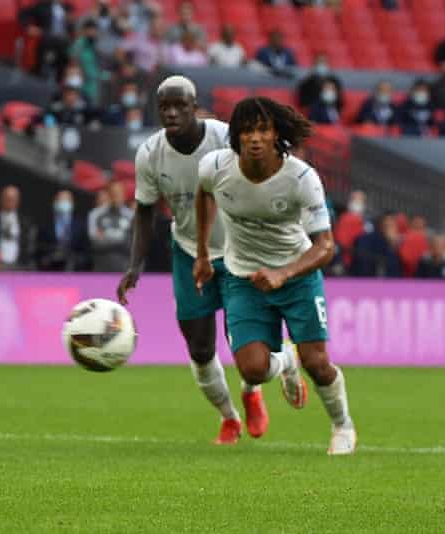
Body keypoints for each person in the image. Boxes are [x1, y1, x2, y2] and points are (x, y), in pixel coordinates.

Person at [117, 76, 305, 446]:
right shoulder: (150, 153)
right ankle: (229, 418)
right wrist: (135, 264)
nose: (171, 113)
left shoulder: (224, 138)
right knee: (200, 350)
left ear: (194, 106)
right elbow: (144, 210)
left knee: (250, 352)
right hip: (190, 253)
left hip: (242, 253)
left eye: (179, 106)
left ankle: (279, 368)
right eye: (164, 107)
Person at [194, 97, 356, 455]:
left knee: (317, 364)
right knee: (252, 371)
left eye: (263, 130)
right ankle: (285, 359)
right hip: (243, 278)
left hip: (296, 276)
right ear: (235, 136)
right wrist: (204, 253)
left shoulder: (300, 178)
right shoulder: (215, 167)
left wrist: (284, 273)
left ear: (276, 135)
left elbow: (326, 246)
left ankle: (342, 425)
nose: (255, 138)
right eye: (247, 130)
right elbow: (204, 194)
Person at [37, 189, 90, 271]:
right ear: (55, 203)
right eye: (60, 200)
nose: (63, 203)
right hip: (50, 271)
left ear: (72, 203)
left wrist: (78, 261)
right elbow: (39, 249)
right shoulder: (45, 225)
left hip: (75, 271)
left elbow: (85, 251)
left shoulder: (81, 226)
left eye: (66, 200)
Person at [0, 185, 37, 270]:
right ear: (0, 199)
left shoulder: (25, 222)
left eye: (13, 199)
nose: (10, 201)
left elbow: (29, 244)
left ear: (18, 200)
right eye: (7, 198)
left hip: (19, 266)